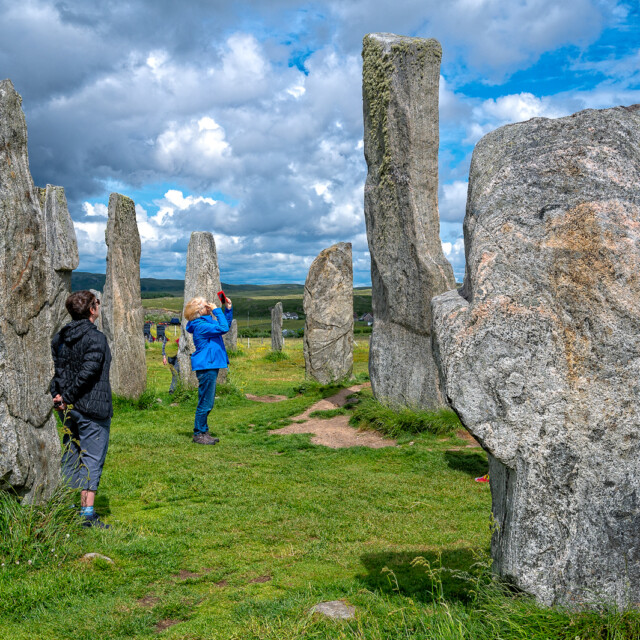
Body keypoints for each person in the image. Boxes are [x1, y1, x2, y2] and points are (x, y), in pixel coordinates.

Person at [50, 290, 112, 529]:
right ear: (91, 310)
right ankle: (86, 514)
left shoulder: (60, 337)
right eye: (96, 302)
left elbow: (57, 370)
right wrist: (67, 396)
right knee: (92, 457)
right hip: (91, 406)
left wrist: (59, 395)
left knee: (72, 454)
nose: (98, 305)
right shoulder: (96, 339)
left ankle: (67, 506)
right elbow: (89, 373)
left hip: (66, 407)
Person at [184, 296, 233, 445]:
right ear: (199, 311)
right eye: (206, 306)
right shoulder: (201, 325)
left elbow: (225, 324)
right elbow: (223, 328)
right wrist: (217, 310)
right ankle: (199, 434)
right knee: (205, 401)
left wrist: (227, 310)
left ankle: (203, 431)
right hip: (207, 365)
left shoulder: (206, 323)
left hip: (210, 363)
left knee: (207, 400)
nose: (209, 307)